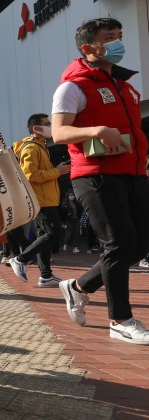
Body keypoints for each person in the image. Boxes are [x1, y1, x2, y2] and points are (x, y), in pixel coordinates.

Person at [52, 17, 149, 343]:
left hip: (132, 174)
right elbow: (59, 132)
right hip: (95, 176)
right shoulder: (73, 86)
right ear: (88, 47)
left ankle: (78, 287)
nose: (118, 42)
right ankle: (120, 320)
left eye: (120, 36)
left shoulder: (124, 86)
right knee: (119, 243)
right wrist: (95, 131)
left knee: (141, 243)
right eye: (110, 37)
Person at [6, 113, 70, 287]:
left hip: (45, 198)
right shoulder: (31, 148)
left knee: (44, 235)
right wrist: (57, 171)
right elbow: (30, 175)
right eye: (46, 124)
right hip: (40, 199)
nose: (50, 126)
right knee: (53, 233)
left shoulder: (40, 146)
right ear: (36, 128)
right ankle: (21, 259)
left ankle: (46, 275)